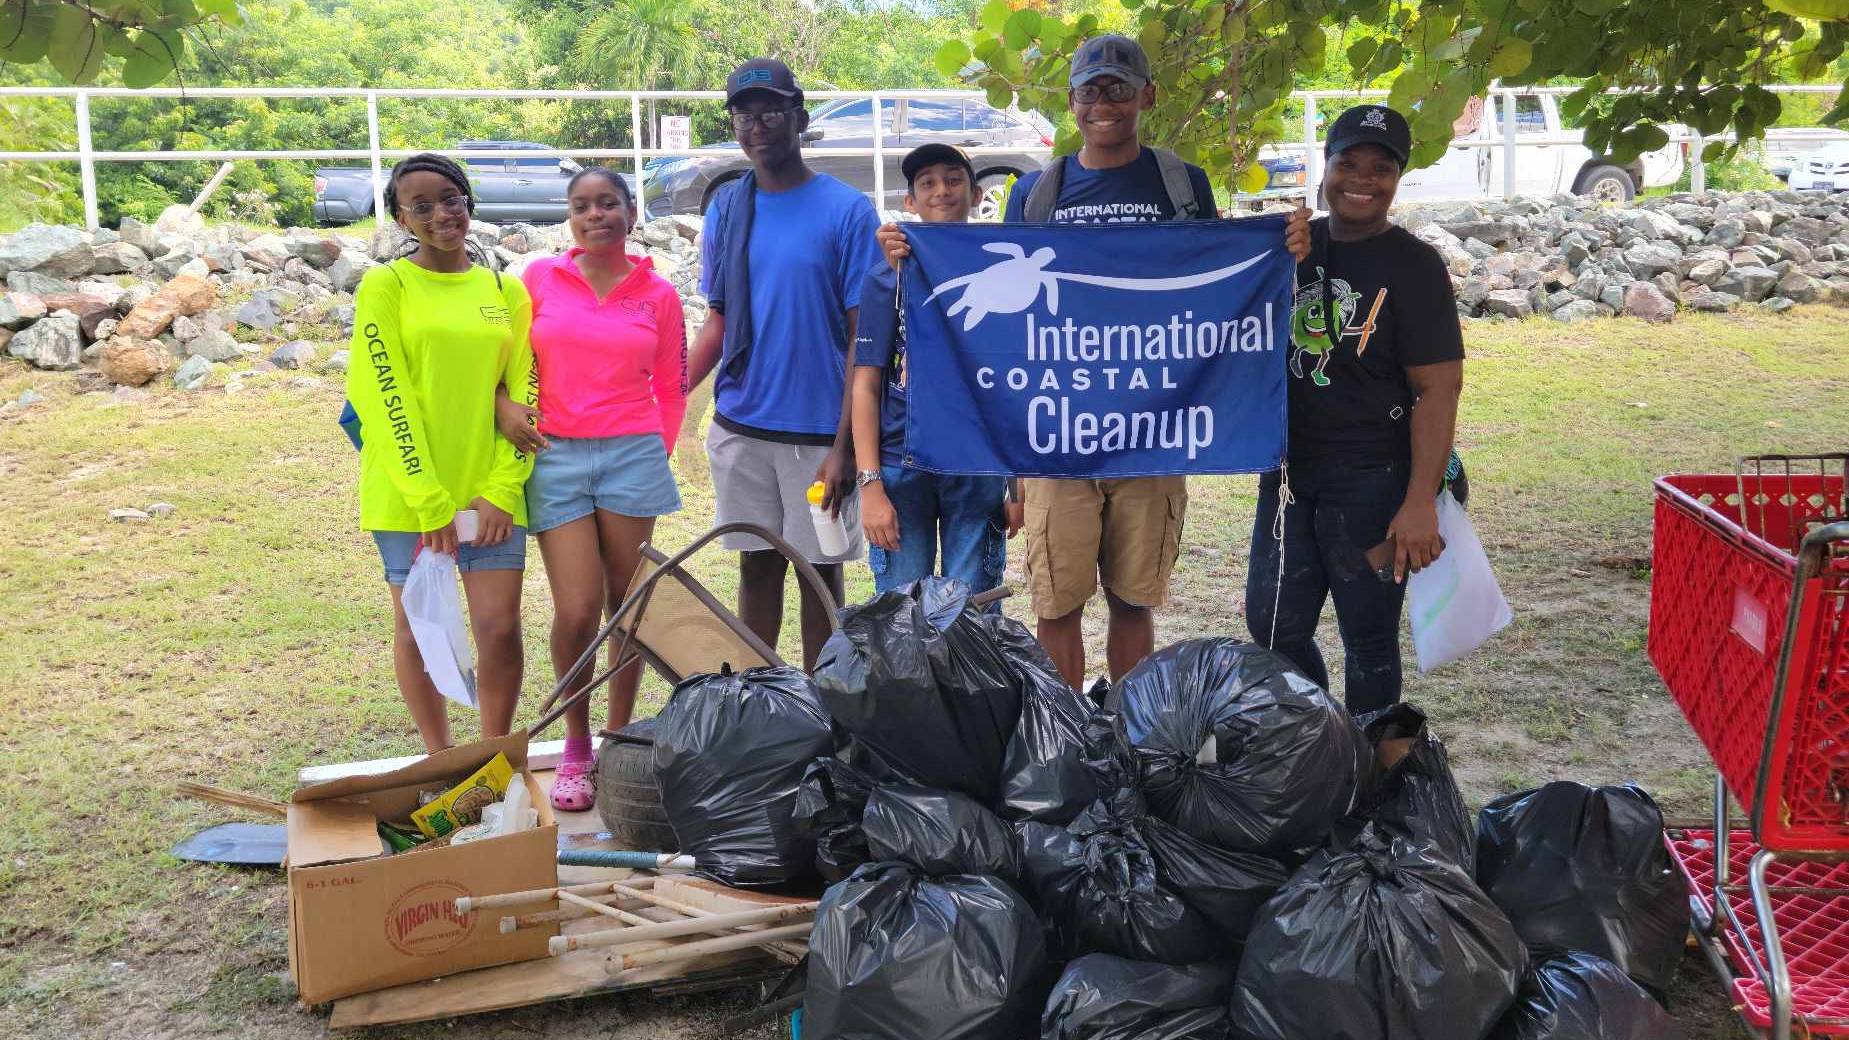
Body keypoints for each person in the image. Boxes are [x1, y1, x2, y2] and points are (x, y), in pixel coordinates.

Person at [882, 34, 1311, 690]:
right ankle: (1072, 739)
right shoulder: (1036, 190)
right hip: (1058, 433)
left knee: (1132, 599)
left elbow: (1215, 281)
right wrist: (911, 252)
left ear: (1146, 95)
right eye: (1089, 90)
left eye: (1116, 87)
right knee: (1057, 601)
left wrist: (1281, 246)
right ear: (1071, 102)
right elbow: (1004, 298)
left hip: (1153, 429)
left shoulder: (1180, 182)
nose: (1102, 102)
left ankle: (1131, 735)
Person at [1244, 103, 1465, 716]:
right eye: (1348, 162)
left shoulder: (1415, 266)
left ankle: (1369, 780)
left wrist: (1420, 500)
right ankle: (1325, 743)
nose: (1362, 178)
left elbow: (1438, 389)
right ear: (1326, 165)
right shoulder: (1289, 248)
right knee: (1271, 628)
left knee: (1367, 641)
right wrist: (1266, 247)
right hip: (1289, 474)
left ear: (1398, 178)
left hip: (1376, 481)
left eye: (1381, 167)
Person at [493, 166, 685, 811]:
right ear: (568, 217)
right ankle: (574, 745)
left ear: (631, 213)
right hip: (555, 457)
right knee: (577, 610)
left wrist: (652, 450)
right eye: (581, 206)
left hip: (631, 456)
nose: (594, 215)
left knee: (626, 609)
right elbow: (504, 362)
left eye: (607, 204)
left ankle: (618, 736)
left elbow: (672, 384)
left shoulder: (656, 293)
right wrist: (501, 405)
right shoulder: (539, 280)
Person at [686, 58, 884, 670]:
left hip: (818, 434)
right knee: (756, 566)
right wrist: (664, 392)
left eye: (771, 111)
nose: (757, 126)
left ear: (799, 117)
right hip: (743, 424)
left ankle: (826, 713)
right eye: (744, 115)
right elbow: (718, 319)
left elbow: (864, 338)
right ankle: (764, 704)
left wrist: (845, 444)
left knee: (819, 576)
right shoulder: (727, 209)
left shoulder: (847, 211)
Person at [346, 152, 536, 753]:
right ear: (402, 220)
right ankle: (440, 758)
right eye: (420, 206)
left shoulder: (507, 291)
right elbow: (382, 392)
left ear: (468, 202)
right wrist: (428, 501)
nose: (440, 215)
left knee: (499, 629)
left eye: (450, 199)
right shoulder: (387, 286)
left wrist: (504, 489)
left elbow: (527, 390)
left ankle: (490, 756)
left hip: (490, 493)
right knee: (418, 631)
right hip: (409, 496)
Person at [854, 144, 1020, 597]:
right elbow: (866, 384)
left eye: (953, 180)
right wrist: (869, 486)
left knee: (971, 614)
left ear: (976, 194)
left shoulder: (998, 272)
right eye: (926, 183)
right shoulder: (885, 274)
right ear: (909, 201)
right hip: (901, 461)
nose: (941, 191)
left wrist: (1017, 484)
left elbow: (1015, 384)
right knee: (901, 616)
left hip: (976, 461)